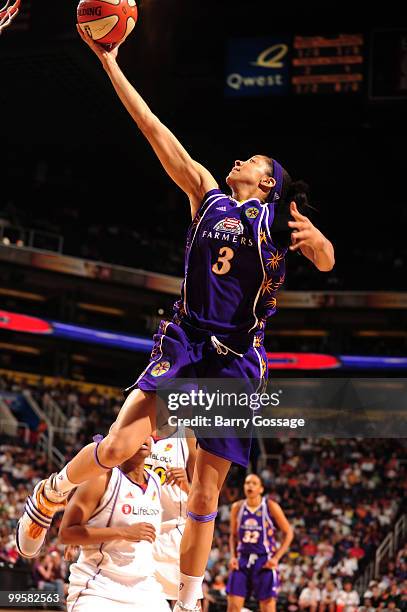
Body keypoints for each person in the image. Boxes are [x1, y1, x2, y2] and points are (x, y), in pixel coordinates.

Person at [16, 25, 335, 612]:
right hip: (189, 339)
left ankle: (187, 604)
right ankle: (50, 492)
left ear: (267, 182)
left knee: (206, 492)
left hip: (236, 361)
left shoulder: (276, 223)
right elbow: (153, 130)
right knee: (115, 450)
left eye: (254, 158)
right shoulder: (207, 195)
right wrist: (110, 63)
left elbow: (325, 257)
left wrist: (317, 243)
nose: (238, 156)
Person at [58, 437, 170, 612]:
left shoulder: (155, 481)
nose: (144, 438)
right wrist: (123, 532)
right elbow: (66, 534)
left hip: (144, 587)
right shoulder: (101, 478)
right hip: (99, 586)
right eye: (138, 433)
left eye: (147, 433)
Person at [226, 474, 293, 612]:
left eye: (254, 483)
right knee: (233, 607)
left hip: (264, 561)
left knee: (268, 607)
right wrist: (233, 556)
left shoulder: (270, 506)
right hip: (242, 560)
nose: (250, 485)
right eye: (247, 483)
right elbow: (233, 536)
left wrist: (276, 558)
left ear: (261, 489)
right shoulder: (237, 507)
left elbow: (289, 533)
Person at [147, 427, 197, 605]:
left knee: (188, 602)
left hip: (173, 530)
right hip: (138, 529)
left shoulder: (186, 434)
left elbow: (201, 496)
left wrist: (185, 483)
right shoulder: (135, 429)